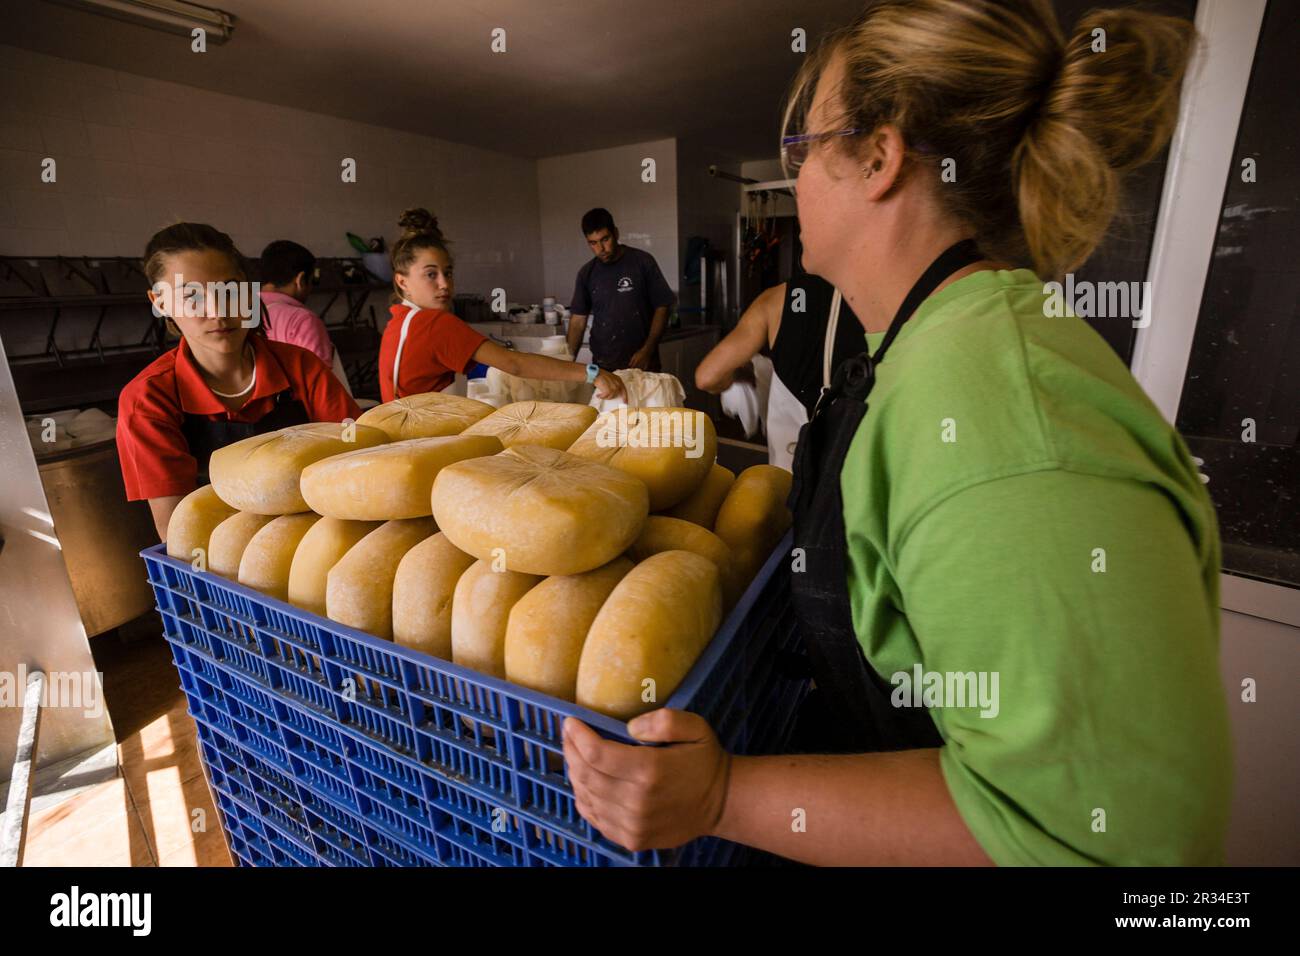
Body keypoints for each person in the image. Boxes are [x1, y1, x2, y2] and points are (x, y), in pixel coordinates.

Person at [562, 0, 1231, 866]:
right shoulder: (921, 351)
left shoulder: (1001, 423)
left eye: (802, 149)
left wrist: (724, 796)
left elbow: (1110, 843)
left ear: (879, 159)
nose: (792, 180)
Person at [118, 223, 360, 540]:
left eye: (230, 290)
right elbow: (178, 532)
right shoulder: (148, 399)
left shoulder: (300, 367)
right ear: (160, 302)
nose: (219, 311)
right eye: (192, 296)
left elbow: (359, 462)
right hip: (218, 569)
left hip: (322, 540)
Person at [379, 208, 624, 403]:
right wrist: (593, 373)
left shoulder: (399, 320)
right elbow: (514, 364)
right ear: (402, 281)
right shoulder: (434, 323)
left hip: (407, 440)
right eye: (431, 275)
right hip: (427, 442)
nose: (445, 284)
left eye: (448, 272)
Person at [696, 272, 862, 467]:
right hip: (854, 463)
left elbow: (707, 377)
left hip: (790, 468)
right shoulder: (880, 295)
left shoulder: (778, 298)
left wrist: (740, 375)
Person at [564, 208, 676, 372]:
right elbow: (577, 322)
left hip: (641, 363)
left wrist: (647, 350)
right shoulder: (586, 273)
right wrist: (568, 361)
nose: (601, 248)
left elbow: (662, 307)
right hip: (604, 367)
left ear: (615, 233)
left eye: (605, 239)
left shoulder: (642, 262)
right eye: (593, 243)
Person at [258, 239, 353, 393]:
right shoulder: (302, 320)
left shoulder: (242, 313)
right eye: (311, 281)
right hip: (302, 413)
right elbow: (320, 382)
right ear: (300, 280)